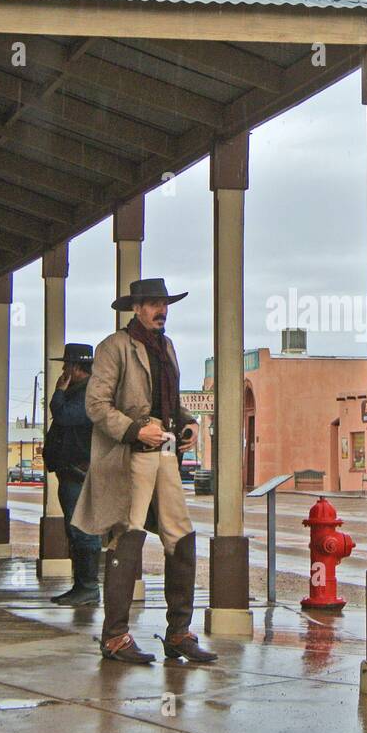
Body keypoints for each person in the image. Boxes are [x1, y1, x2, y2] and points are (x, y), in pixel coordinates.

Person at [72, 278, 217, 664]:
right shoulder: (114, 347)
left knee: (181, 534)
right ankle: (115, 637)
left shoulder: (166, 346)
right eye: (153, 303)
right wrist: (137, 429)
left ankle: (179, 633)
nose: (161, 310)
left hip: (165, 449)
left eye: (164, 303)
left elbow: (168, 403)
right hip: (130, 453)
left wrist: (187, 423)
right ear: (136, 308)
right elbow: (96, 405)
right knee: (128, 534)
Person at [45, 343, 102, 606]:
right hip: (71, 471)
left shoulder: (88, 393)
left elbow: (64, 416)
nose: (64, 369)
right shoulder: (77, 391)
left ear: (77, 369)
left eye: (67, 365)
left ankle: (88, 587)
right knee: (75, 528)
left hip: (81, 473)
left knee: (83, 529)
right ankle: (81, 586)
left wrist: (58, 391)